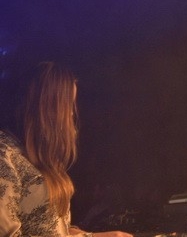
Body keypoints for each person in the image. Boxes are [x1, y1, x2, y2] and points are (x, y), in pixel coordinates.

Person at [0, 61, 132, 237]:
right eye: (68, 105)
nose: (71, 114)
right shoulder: (5, 156)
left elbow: (50, 231)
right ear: (48, 107)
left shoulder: (38, 157)